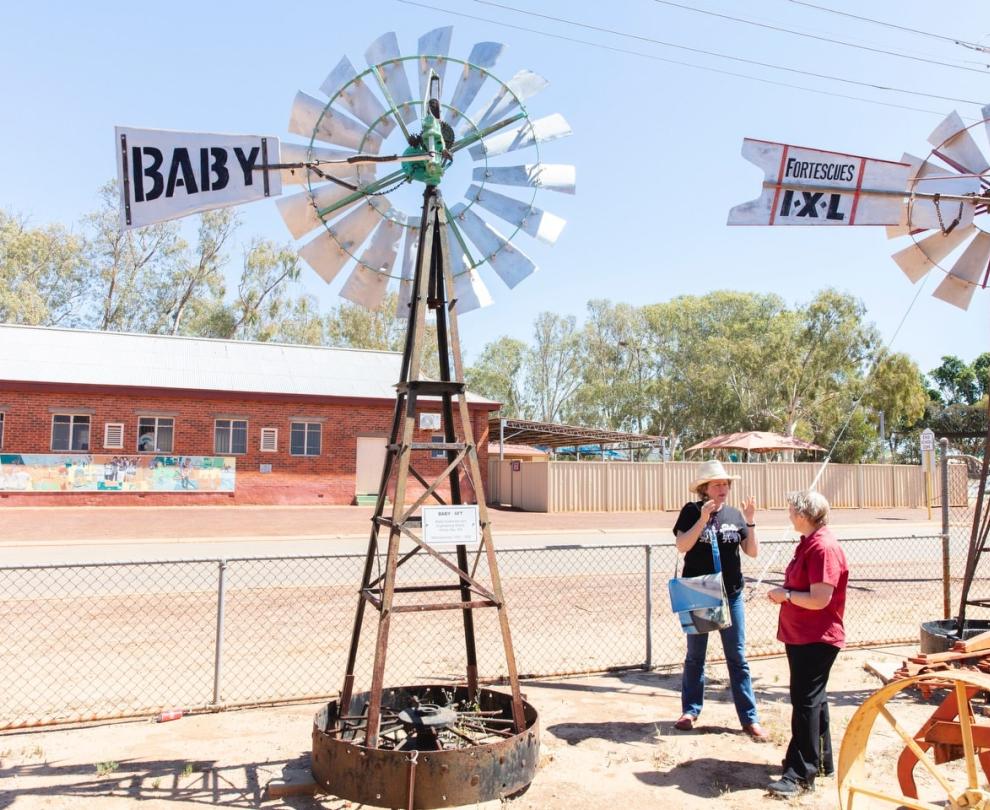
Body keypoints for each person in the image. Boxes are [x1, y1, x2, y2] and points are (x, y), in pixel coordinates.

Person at [673, 459, 767, 741]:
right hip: (700, 590)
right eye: (717, 484)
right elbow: (682, 546)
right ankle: (690, 711)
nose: (723, 488)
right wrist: (702, 519)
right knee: (696, 656)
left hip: (731, 593)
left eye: (726, 484)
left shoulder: (735, 515)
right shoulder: (691, 512)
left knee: (737, 657)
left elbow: (751, 552)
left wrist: (750, 520)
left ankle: (749, 719)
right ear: (705, 488)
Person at [765, 490, 848, 798]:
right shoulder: (810, 544)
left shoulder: (822, 547)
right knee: (814, 700)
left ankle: (800, 775)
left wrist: (784, 595)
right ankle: (821, 761)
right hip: (803, 635)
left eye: (791, 511)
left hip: (816, 637)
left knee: (805, 703)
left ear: (803, 514)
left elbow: (819, 599)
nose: (789, 516)